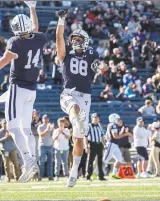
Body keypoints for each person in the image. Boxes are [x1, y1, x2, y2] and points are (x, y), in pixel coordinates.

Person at [0, 1, 47, 183]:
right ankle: (32, 159)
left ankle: (29, 161)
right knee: (26, 128)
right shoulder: (39, 38)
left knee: (14, 128)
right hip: (32, 89)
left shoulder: (15, 42)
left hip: (18, 88)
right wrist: (32, 7)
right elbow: (36, 27)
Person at [55, 10, 107, 187]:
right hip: (69, 93)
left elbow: (103, 67)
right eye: (74, 39)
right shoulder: (65, 54)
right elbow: (59, 39)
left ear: (85, 42)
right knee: (75, 111)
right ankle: (75, 117)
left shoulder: (92, 54)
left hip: (85, 96)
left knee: (78, 138)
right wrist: (61, 20)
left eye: (79, 39)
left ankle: (74, 170)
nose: (75, 41)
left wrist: (102, 66)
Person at [103, 113, 132, 179]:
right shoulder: (113, 125)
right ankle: (98, 172)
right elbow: (115, 136)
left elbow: (116, 135)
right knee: (105, 159)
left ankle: (114, 173)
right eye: (117, 119)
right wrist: (124, 134)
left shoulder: (112, 125)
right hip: (111, 143)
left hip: (115, 144)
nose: (118, 120)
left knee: (120, 159)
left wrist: (122, 132)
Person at [84, 113, 106, 181]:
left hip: (99, 144)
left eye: (97, 117)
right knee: (90, 161)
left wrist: (104, 144)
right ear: (92, 118)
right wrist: (86, 146)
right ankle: (88, 176)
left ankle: (101, 176)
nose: (96, 119)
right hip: (92, 144)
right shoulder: (89, 126)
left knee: (100, 161)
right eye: (95, 117)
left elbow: (102, 136)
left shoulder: (100, 125)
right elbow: (85, 137)